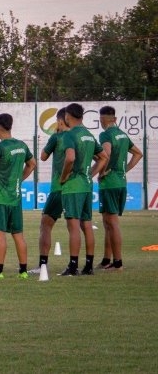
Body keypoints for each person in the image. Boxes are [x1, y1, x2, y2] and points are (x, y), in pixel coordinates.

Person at [0, 113, 36, 280]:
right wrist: (20, 178)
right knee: (18, 234)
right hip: (15, 198)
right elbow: (32, 164)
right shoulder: (21, 145)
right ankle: (23, 271)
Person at [59, 102, 107, 276]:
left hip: (73, 187)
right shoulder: (88, 135)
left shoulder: (69, 135)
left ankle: (73, 267)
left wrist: (64, 177)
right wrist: (91, 173)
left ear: (67, 116)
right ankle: (88, 266)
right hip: (87, 186)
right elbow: (103, 157)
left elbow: (70, 158)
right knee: (86, 225)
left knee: (73, 227)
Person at [97, 106, 142, 271]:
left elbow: (106, 153)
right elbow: (138, 153)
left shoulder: (105, 134)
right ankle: (106, 260)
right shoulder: (123, 134)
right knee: (108, 221)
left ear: (104, 120)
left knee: (112, 222)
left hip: (110, 183)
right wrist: (124, 170)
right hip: (121, 182)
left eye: (101, 120)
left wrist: (102, 171)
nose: (102, 123)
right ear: (114, 119)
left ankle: (118, 263)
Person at [27, 108, 69, 275]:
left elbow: (43, 157)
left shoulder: (57, 137)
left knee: (45, 224)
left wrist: (54, 136)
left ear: (60, 121)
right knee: (82, 225)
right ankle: (84, 264)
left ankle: (42, 265)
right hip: (82, 188)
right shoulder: (82, 137)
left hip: (60, 188)